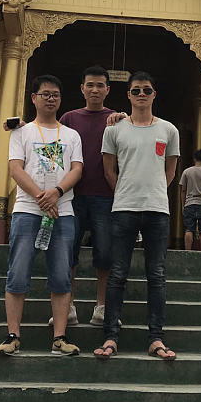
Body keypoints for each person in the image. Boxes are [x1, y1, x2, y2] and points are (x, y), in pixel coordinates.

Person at [94, 71, 179, 360]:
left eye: (146, 90)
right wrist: (126, 193)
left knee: (156, 275)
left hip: (157, 210)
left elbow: (170, 171)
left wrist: (153, 192)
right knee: (117, 274)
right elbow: (108, 170)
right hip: (124, 209)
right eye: (136, 91)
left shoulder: (168, 130)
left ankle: (156, 338)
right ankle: (110, 337)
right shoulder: (114, 129)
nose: (141, 95)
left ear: (154, 94)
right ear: (128, 95)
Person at [0, 74, 83, 357]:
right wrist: (41, 198)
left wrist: (56, 192)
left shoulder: (70, 135)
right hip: (27, 210)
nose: (50, 98)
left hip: (63, 211)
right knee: (18, 272)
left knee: (61, 275)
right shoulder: (22, 132)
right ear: (33, 98)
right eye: (45, 94)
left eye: (55, 94)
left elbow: (77, 170)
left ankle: (59, 337)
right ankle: (12, 335)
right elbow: (16, 169)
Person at [60, 66, 115, 327]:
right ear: (82, 88)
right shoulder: (69, 118)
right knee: (68, 252)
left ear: (107, 89)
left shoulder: (116, 120)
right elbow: (53, 144)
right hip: (72, 195)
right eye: (90, 85)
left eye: (100, 85)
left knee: (104, 254)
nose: (95, 90)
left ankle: (101, 307)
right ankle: (67, 306)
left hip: (106, 196)